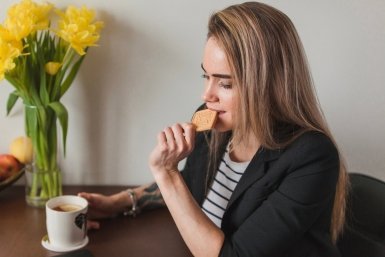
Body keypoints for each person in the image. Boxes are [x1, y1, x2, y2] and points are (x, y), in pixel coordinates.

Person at [79, 2, 349, 256]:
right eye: (206, 76)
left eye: (225, 84)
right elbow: (189, 184)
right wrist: (118, 203)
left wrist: (167, 173)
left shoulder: (312, 157)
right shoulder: (212, 123)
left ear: (268, 86)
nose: (206, 95)